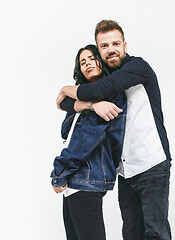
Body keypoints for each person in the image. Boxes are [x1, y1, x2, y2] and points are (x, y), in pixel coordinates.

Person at [56, 20, 171, 240]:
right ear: (99, 50)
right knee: (130, 232)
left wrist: (65, 89)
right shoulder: (104, 79)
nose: (111, 50)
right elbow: (68, 106)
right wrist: (91, 104)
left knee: (156, 232)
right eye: (104, 46)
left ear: (125, 45)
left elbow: (97, 90)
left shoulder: (137, 67)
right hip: (125, 170)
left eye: (115, 44)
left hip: (152, 162)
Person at [51, 44, 126, 240]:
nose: (87, 64)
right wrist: (90, 105)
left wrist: (59, 171)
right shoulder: (91, 100)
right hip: (75, 182)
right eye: (83, 62)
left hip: (85, 179)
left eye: (92, 58)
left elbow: (85, 139)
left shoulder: (109, 93)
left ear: (101, 60)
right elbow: (64, 107)